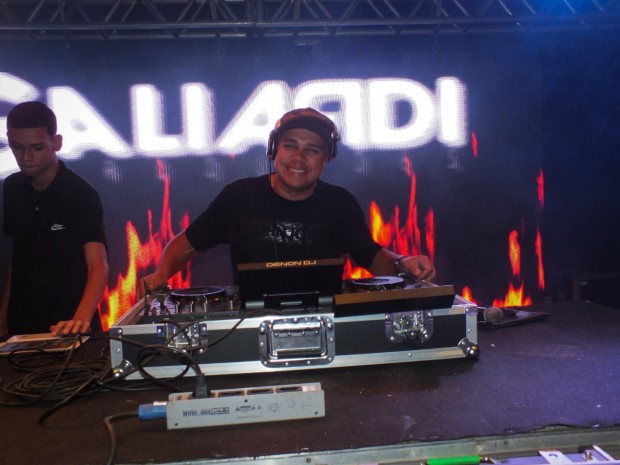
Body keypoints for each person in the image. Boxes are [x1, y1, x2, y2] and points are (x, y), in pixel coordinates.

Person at [142, 107, 435, 295]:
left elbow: (372, 256)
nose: (299, 157)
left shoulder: (340, 203)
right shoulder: (238, 197)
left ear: (326, 159)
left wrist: (403, 263)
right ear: (274, 151)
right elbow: (186, 244)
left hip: (327, 322)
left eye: (313, 150)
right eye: (290, 146)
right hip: (251, 325)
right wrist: (162, 274)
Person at [1, 101, 109, 337]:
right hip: (21, 327)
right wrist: (2, 320)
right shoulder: (11, 188)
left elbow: (98, 264)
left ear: (57, 143)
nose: (26, 157)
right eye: (17, 147)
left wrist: (80, 319)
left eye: (37, 147)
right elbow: (16, 259)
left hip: (71, 326)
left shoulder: (81, 193)